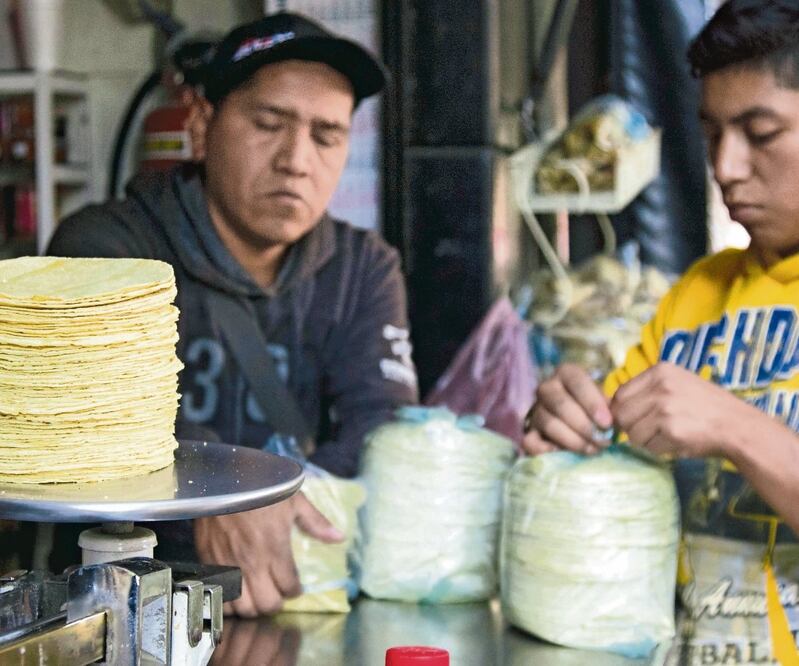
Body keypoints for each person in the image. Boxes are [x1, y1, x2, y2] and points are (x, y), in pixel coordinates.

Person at [48, 12, 418, 616]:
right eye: (269, 124)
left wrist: (287, 515)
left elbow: (382, 435)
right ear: (201, 126)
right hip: (111, 609)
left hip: (293, 604)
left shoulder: (364, 269)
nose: (296, 159)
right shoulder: (106, 250)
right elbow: (92, 429)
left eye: (326, 136)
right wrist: (211, 505)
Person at [522, 0, 799, 537]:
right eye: (712, 135)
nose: (725, 167)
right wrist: (567, 425)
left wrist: (734, 427)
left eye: (760, 133)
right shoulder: (696, 293)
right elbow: (610, 452)